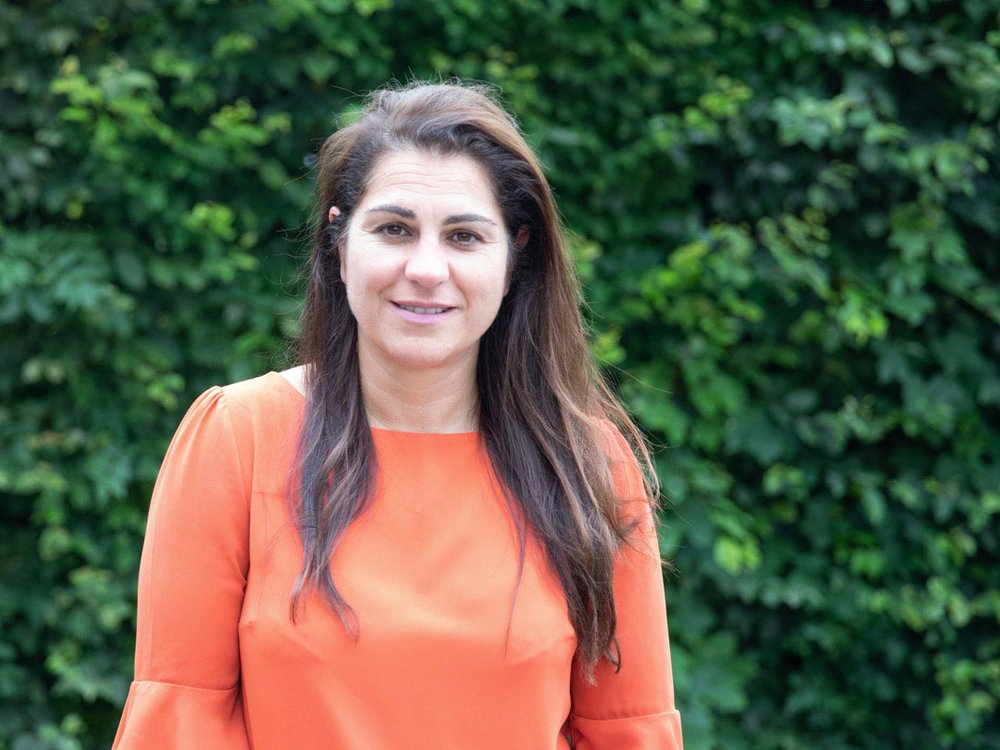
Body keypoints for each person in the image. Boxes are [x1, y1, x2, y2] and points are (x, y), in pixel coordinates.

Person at [112, 80, 683, 749]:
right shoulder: (237, 439)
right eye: (394, 229)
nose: (426, 268)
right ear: (339, 244)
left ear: (513, 258)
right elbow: (180, 724)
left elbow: (628, 734)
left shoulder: (589, 464)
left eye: (465, 236)